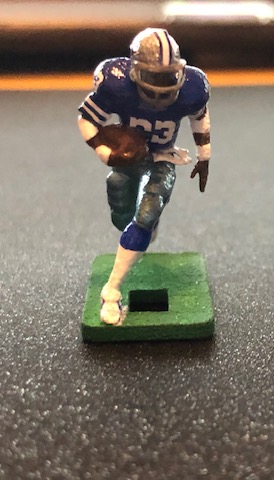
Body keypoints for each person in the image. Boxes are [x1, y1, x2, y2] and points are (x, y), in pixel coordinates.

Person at [77, 28, 212, 325]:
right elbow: (87, 119)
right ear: (134, 72)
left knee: (146, 214)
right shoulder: (116, 84)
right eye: (153, 77)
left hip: (163, 157)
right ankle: (140, 231)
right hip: (130, 158)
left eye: (167, 77)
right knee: (119, 204)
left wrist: (204, 155)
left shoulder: (192, 88)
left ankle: (111, 290)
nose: (161, 87)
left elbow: (199, 117)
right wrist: (104, 152)